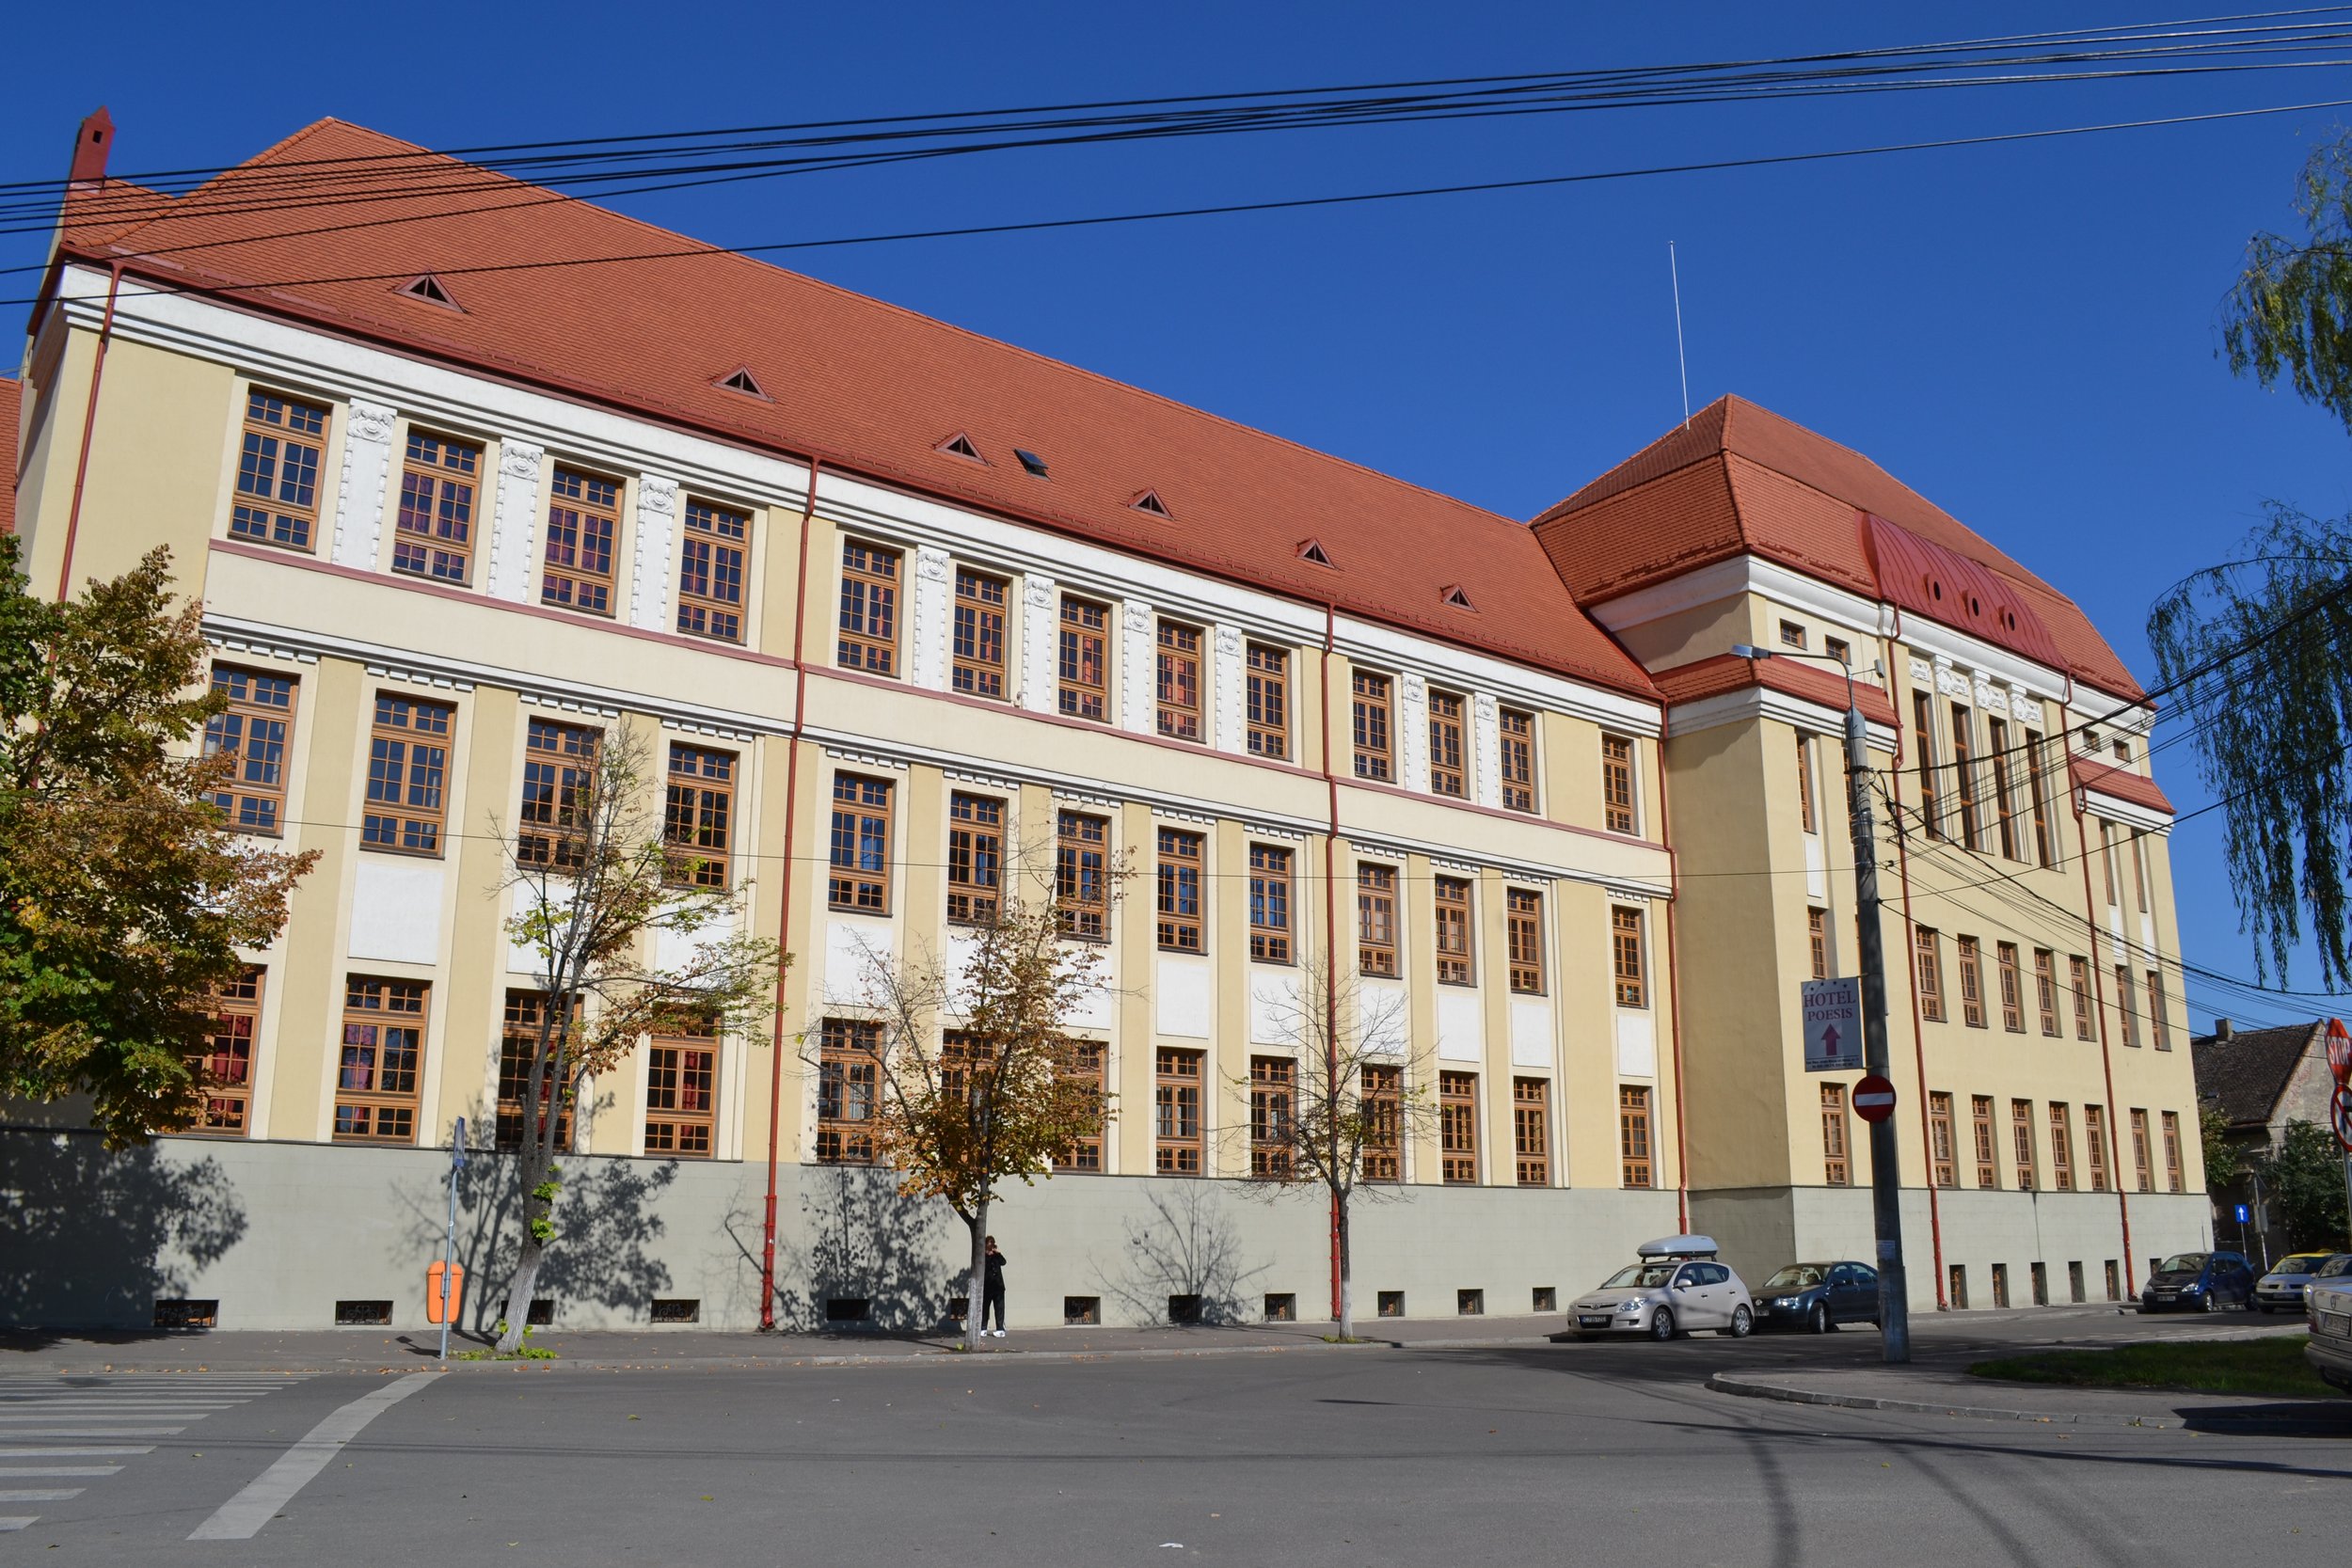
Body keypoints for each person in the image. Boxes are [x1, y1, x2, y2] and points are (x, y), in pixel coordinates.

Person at [981, 1236, 1008, 1337]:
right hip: (987, 1286)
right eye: (990, 1242)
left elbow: (1003, 1262)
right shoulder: (983, 1256)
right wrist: (987, 1254)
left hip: (998, 1287)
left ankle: (1000, 1328)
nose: (992, 1244)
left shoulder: (996, 1256)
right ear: (986, 1244)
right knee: (985, 1308)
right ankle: (983, 1328)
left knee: (999, 1308)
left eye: (993, 1242)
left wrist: (997, 1253)